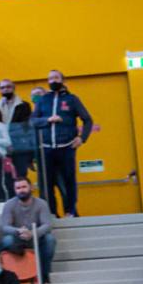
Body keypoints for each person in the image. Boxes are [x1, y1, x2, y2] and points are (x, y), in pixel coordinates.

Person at [31, 69, 93, 218]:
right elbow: (32, 121)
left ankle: (70, 211)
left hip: (66, 147)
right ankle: (51, 213)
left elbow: (88, 120)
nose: (53, 81)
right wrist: (47, 120)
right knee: (47, 184)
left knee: (69, 181)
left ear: (62, 80)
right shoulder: (43, 100)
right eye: (50, 78)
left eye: (56, 78)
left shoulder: (72, 99)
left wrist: (82, 138)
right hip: (46, 149)